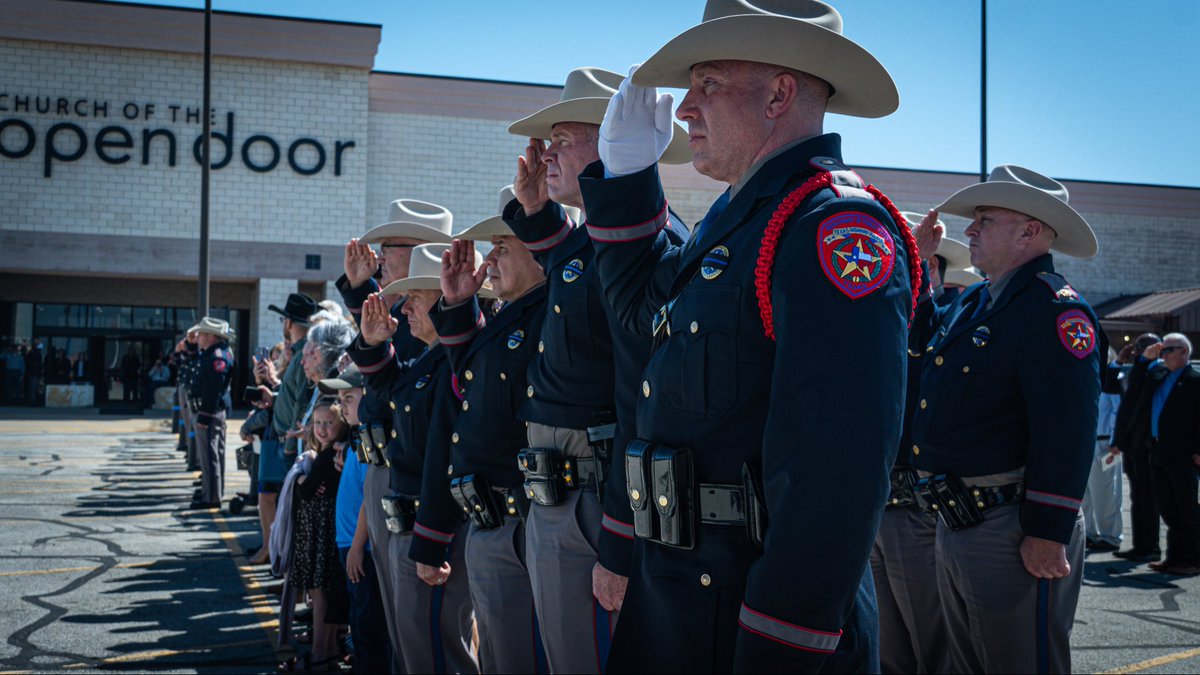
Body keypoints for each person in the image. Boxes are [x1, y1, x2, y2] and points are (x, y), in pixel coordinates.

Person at [576, 2, 918, 670]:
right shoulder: (738, 220)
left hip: (751, 611)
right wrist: (626, 177)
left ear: (779, 95)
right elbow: (641, 314)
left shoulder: (832, 226)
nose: (684, 108)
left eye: (708, 83)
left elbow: (836, 470)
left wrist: (781, 640)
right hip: (683, 591)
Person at [503, 65, 690, 674]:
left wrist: (619, 534)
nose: (547, 153)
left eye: (563, 138)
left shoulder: (652, 241)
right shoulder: (598, 239)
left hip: (597, 494)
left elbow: (642, 395)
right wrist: (535, 211)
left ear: (611, 139)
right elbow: (573, 264)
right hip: (563, 493)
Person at [909, 164, 1101, 673]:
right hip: (959, 518)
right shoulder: (977, 299)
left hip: (1012, 527)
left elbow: (1068, 428)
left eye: (985, 219)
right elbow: (920, 345)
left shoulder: (1053, 309)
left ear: (1029, 231)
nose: (970, 230)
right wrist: (917, 265)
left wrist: (1049, 531)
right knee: (970, 664)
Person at [433, 187, 551, 673]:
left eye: (503, 246)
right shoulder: (511, 314)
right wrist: (459, 303)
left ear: (539, 250)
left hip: (521, 522)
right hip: (489, 521)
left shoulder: (551, 312)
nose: (491, 259)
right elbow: (473, 382)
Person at [349, 243, 477, 675]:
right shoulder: (431, 359)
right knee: (413, 648)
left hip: (433, 531)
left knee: (436, 651)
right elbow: (394, 395)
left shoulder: (454, 363)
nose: (404, 309)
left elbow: (444, 459)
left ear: (443, 301)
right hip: (411, 525)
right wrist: (373, 345)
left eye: (415, 298)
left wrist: (432, 541)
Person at [338, 199, 452, 669]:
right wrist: (360, 288)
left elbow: (392, 374)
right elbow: (380, 351)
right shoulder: (407, 311)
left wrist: (363, 290)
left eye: (391, 246)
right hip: (386, 468)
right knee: (395, 616)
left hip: (413, 478)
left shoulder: (437, 319)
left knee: (422, 628)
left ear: (423, 249)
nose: (381, 255)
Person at [319, 365, 392, 674]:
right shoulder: (359, 435)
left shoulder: (374, 436)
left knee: (368, 629)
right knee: (359, 625)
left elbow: (369, 498)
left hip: (361, 547)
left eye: (349, 397)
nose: (343, 405)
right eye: (340, 398)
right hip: (350, 543)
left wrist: (358, 546)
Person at [1114, 335, 1200, 575]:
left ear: (1184, 352)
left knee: (1186, 508)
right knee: (1168, 508)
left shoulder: (1194, 380)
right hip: (1158, 450)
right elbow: (1135, 389)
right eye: (1162, 350)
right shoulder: (1160, 375)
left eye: (1168, 350)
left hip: (1183, 453)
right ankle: (1175, 557)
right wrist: (1143, 360)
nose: (1163, 355)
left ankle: (1193, 560)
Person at [288, 399, 351, 672]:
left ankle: (319, 655)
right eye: (317, 423)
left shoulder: (327, 458)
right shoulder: (331, 453)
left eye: (329, 423)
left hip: (322, 530)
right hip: (326, 529)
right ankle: (330, 651)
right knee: (325, 591)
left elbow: (306, 491)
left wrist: (301, 480)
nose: (322, 428)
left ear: (342, 424)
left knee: (319, 592)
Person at [1112, 332, 1167, 561]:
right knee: (1138, 497)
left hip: (1147, 446)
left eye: (1145, 347)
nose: (1139, 351)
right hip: (1133, 445)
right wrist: (1118, 441)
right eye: (1139, 347)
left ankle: (1151, 547)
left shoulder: (1160, 370)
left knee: (1149, 498)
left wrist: (1145, 361)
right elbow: (1126, 405)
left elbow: (1144, 390)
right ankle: (1141, 545)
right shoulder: (1137, 370)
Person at [189, 317, 236, 510]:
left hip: (210, 412)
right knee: (213, 454)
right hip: (211, 411)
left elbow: (213, 389)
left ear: (210, 336)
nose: (198, 337)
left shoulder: (217, 357)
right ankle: (213, 493)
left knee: (209, 455)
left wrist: (204, 416)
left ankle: (211, 497)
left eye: (201, 333)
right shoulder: (212, 353)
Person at [1083, 354, 1124, 552]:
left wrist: (1116, 440)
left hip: (1105, 443)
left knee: (1106, 493)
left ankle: (1111, 536)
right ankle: (1090, 532)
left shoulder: (1110, 382)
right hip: (1087, 442)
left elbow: (1118, 411)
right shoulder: (1088, 380)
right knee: (1086, 494)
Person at [24, 339, 44, 406]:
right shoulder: (33, 353)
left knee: (34, 388)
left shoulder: (36, 352)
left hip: (35, 373)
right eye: (39, 344)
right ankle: (32, 401)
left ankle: (33, 401)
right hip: (33, 373)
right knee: (33, 388)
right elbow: (31, 362)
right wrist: (36, 365)